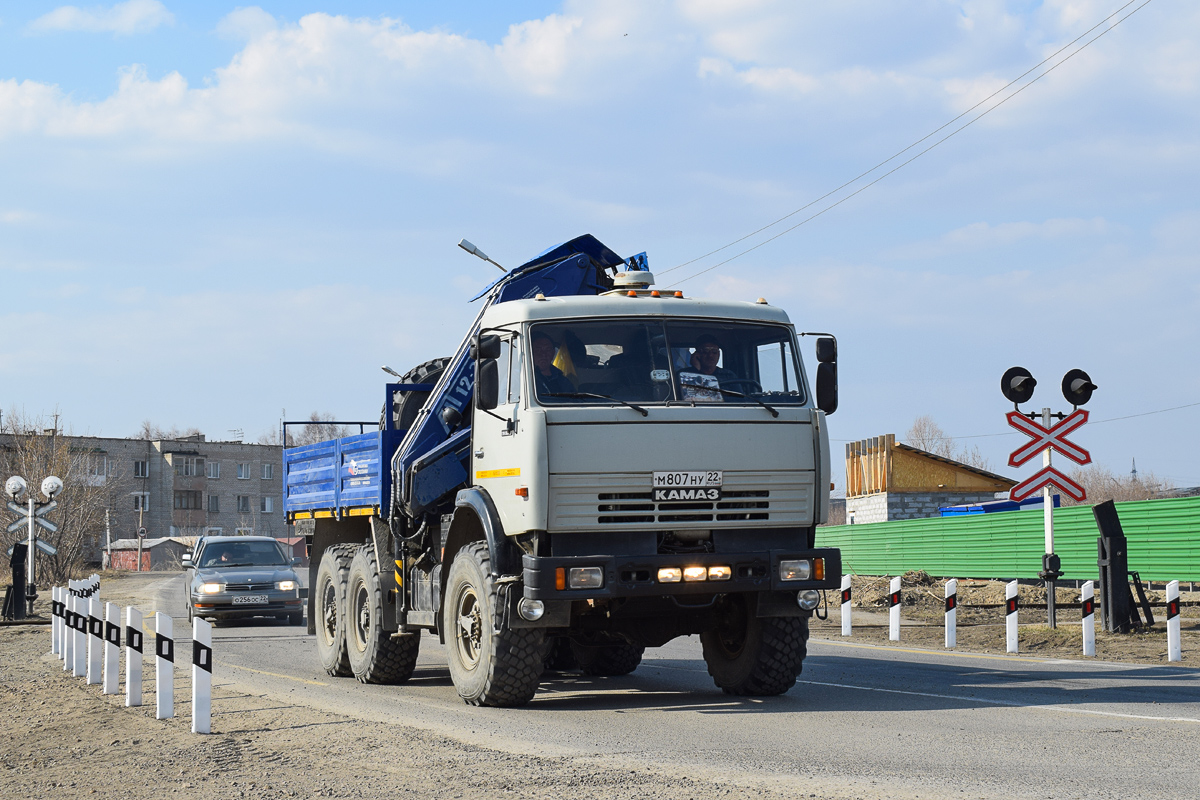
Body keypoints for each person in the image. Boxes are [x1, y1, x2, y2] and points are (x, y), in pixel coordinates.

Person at [679, 333, 736, 402]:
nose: (710, 355)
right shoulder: (683, 375)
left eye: (714, 352)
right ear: (697, 354)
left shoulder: (728, 375)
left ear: (719, 354)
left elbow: (741, 401)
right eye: (705, 351)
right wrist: (695, 370)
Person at [531, 331, 575, 396]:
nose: (543, 354)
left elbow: (574, 401)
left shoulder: (563, 381)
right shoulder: (524, 379)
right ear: (530, 352)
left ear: (553, 353)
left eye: (548, 350)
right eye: (538, 350)